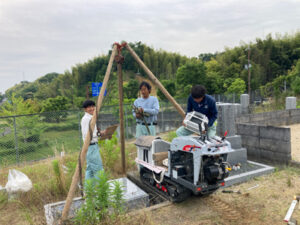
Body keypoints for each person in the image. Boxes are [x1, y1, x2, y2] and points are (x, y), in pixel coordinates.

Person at [81, 100, 107, 181]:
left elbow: (92, 132)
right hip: (91, 147)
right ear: (85, 109)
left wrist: (100, 133)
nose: (92, 108)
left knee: (90, 171)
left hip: (92, 146)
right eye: (89, 107)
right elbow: (87, 135)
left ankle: (88, 191)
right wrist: (98, 134)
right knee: (98, 169)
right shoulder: (86, 119)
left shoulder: (91, 118)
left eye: (93, 106)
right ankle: (102, 191)